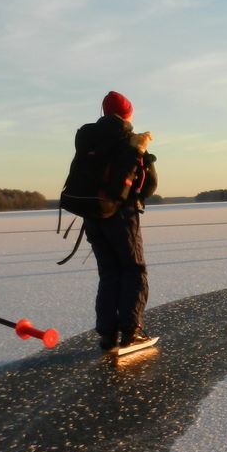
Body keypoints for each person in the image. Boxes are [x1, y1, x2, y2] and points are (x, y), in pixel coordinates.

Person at [74, 91, 158, 350]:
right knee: (133, 271)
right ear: (128, 115)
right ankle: (131, 332)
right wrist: (135, 198)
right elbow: (151, 184)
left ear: (104, 112)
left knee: (109, 273)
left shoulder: (87, 139)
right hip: (122, 215)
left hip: (92, 215)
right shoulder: (132, 142)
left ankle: (108, 335)